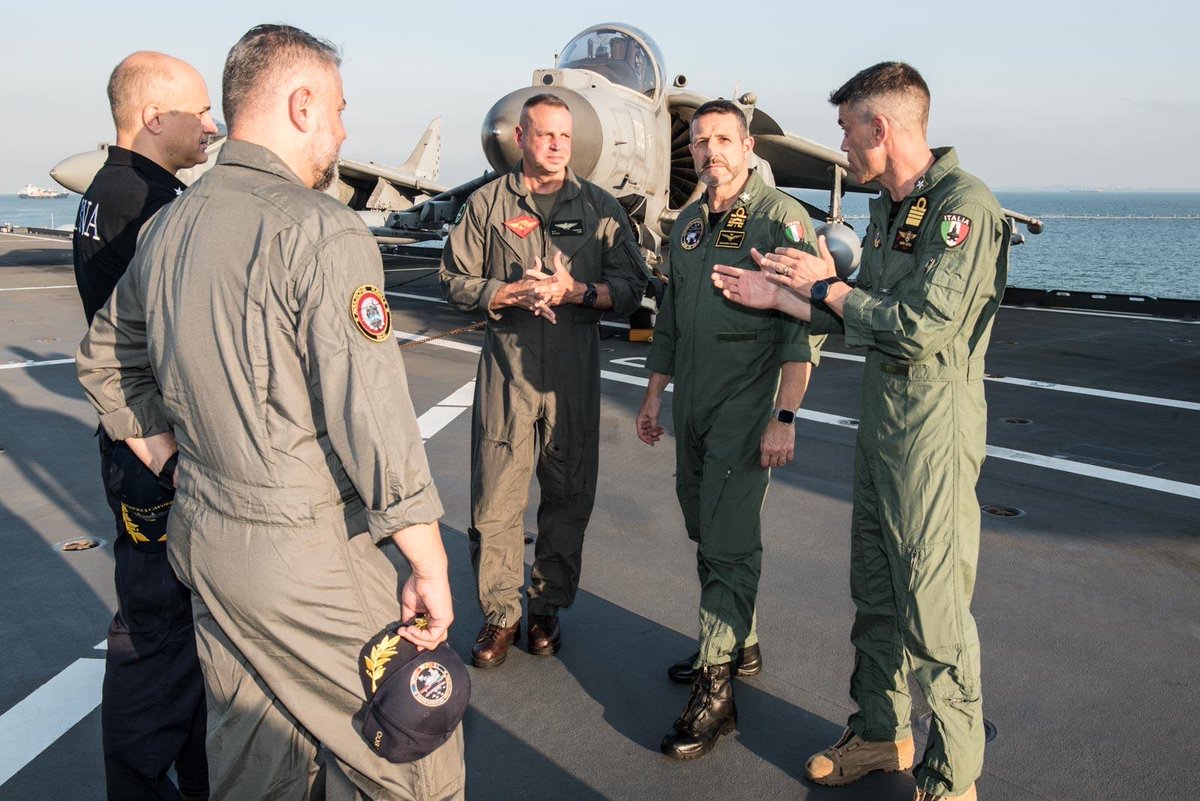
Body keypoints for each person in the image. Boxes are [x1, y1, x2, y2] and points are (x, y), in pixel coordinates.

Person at [77, 25, 464, 800]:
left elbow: (105, 361)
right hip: (303, 554)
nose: (344, 131)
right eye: (340, 110)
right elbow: (373, 416)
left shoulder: (170, 223)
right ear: (301, 104)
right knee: (416, 755)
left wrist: (171, 458)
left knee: (257, 766)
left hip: (206, 540)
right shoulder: (321, 229)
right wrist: (427, 559)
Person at [712, 62, 1008, 800]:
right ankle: (881, 733)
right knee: (875, 593)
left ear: (880, 127)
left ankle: (953, 777)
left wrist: (828, 287)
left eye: (847, 129)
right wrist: (785, 299)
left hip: (932, 435)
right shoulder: (893, 208)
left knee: (933, 612)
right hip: (882, 429)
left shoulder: (963, 208)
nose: (842, 144)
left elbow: (921, 328)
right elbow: (861, 313)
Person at [635, 99, 824, 760]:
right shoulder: (689, 224)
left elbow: (802, 328)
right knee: (707, 525)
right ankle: (741, 642)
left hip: (747, 409)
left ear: (747, 147)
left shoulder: (779, 219)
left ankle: (716, 693)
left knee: (725, 538)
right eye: (699, 141)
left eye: (723, 138)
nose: (710, 150)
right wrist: (653, 395)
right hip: (694, 404)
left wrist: (784, 416)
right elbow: (670, 317)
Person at [439, 93, 647, 668]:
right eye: (545, 135)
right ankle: (500, 615)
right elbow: (452, 277)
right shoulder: (487, 204)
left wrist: (575, 291)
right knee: (495, 499)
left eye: (564, 136)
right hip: (507, 371)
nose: (557, 146)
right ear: (522, 138)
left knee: (568, 494)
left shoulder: (601, 207)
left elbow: (631, 287)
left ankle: (547, 607)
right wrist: (505, 292)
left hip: (572, 376)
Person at [72, 50, 217, 801]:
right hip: (157, 452)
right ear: (155, 117)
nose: (212, 126)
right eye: (201, 111)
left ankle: (195, 777)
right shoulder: (149, 205)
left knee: (170, 639)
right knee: (158, 639)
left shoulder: (111, 189)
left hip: (134, 447)